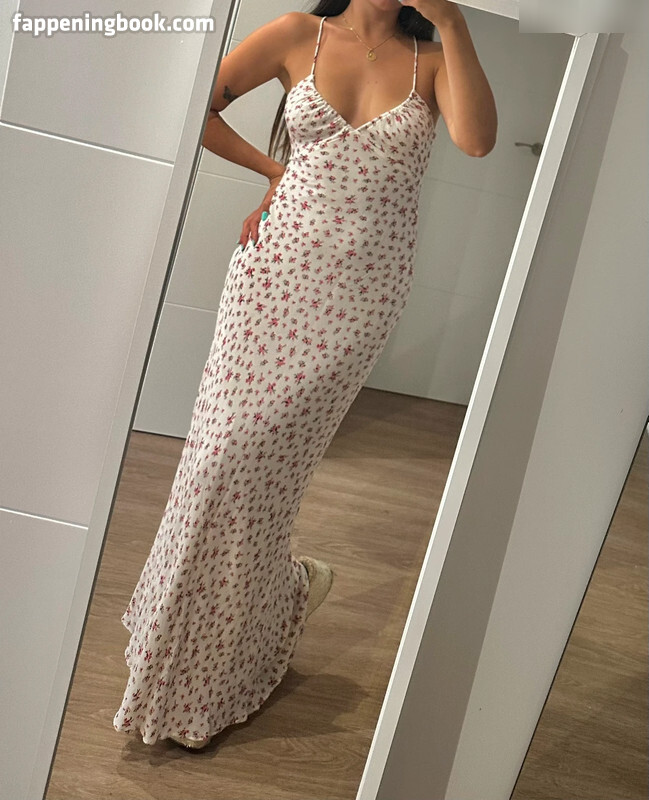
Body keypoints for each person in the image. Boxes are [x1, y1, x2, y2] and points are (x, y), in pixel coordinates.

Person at [113, 0, 496, 751]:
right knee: (215, 463)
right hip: (273, 274)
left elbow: (477, 142)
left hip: (358, 301)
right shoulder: (298, 34)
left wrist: (453, 23)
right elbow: (199, 111)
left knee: (265, 482)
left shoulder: (434, 61)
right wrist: (275, 172)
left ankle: (236, 646)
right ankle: (201, 632)